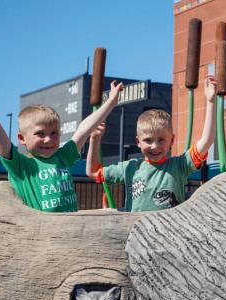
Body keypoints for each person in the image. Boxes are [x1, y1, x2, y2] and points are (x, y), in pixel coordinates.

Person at [0, 68, 124, 212]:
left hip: (69, 234)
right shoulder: (20, 166)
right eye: (40, 134)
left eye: (54, 133)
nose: (48, 139)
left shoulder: (63, 157)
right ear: (22, 138)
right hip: (38, 236)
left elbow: (84, 128)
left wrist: (111, 103)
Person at [86, 76, 217, 212]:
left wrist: (211, 102)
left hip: (170, 226)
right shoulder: (130, 168)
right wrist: (94, 139)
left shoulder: (179, 165)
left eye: (161, 140)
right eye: (148, 140)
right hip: (136, 226)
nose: (155, 146)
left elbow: (207, 140)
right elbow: (93, 172)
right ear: (138, 142)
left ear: (172, 140)